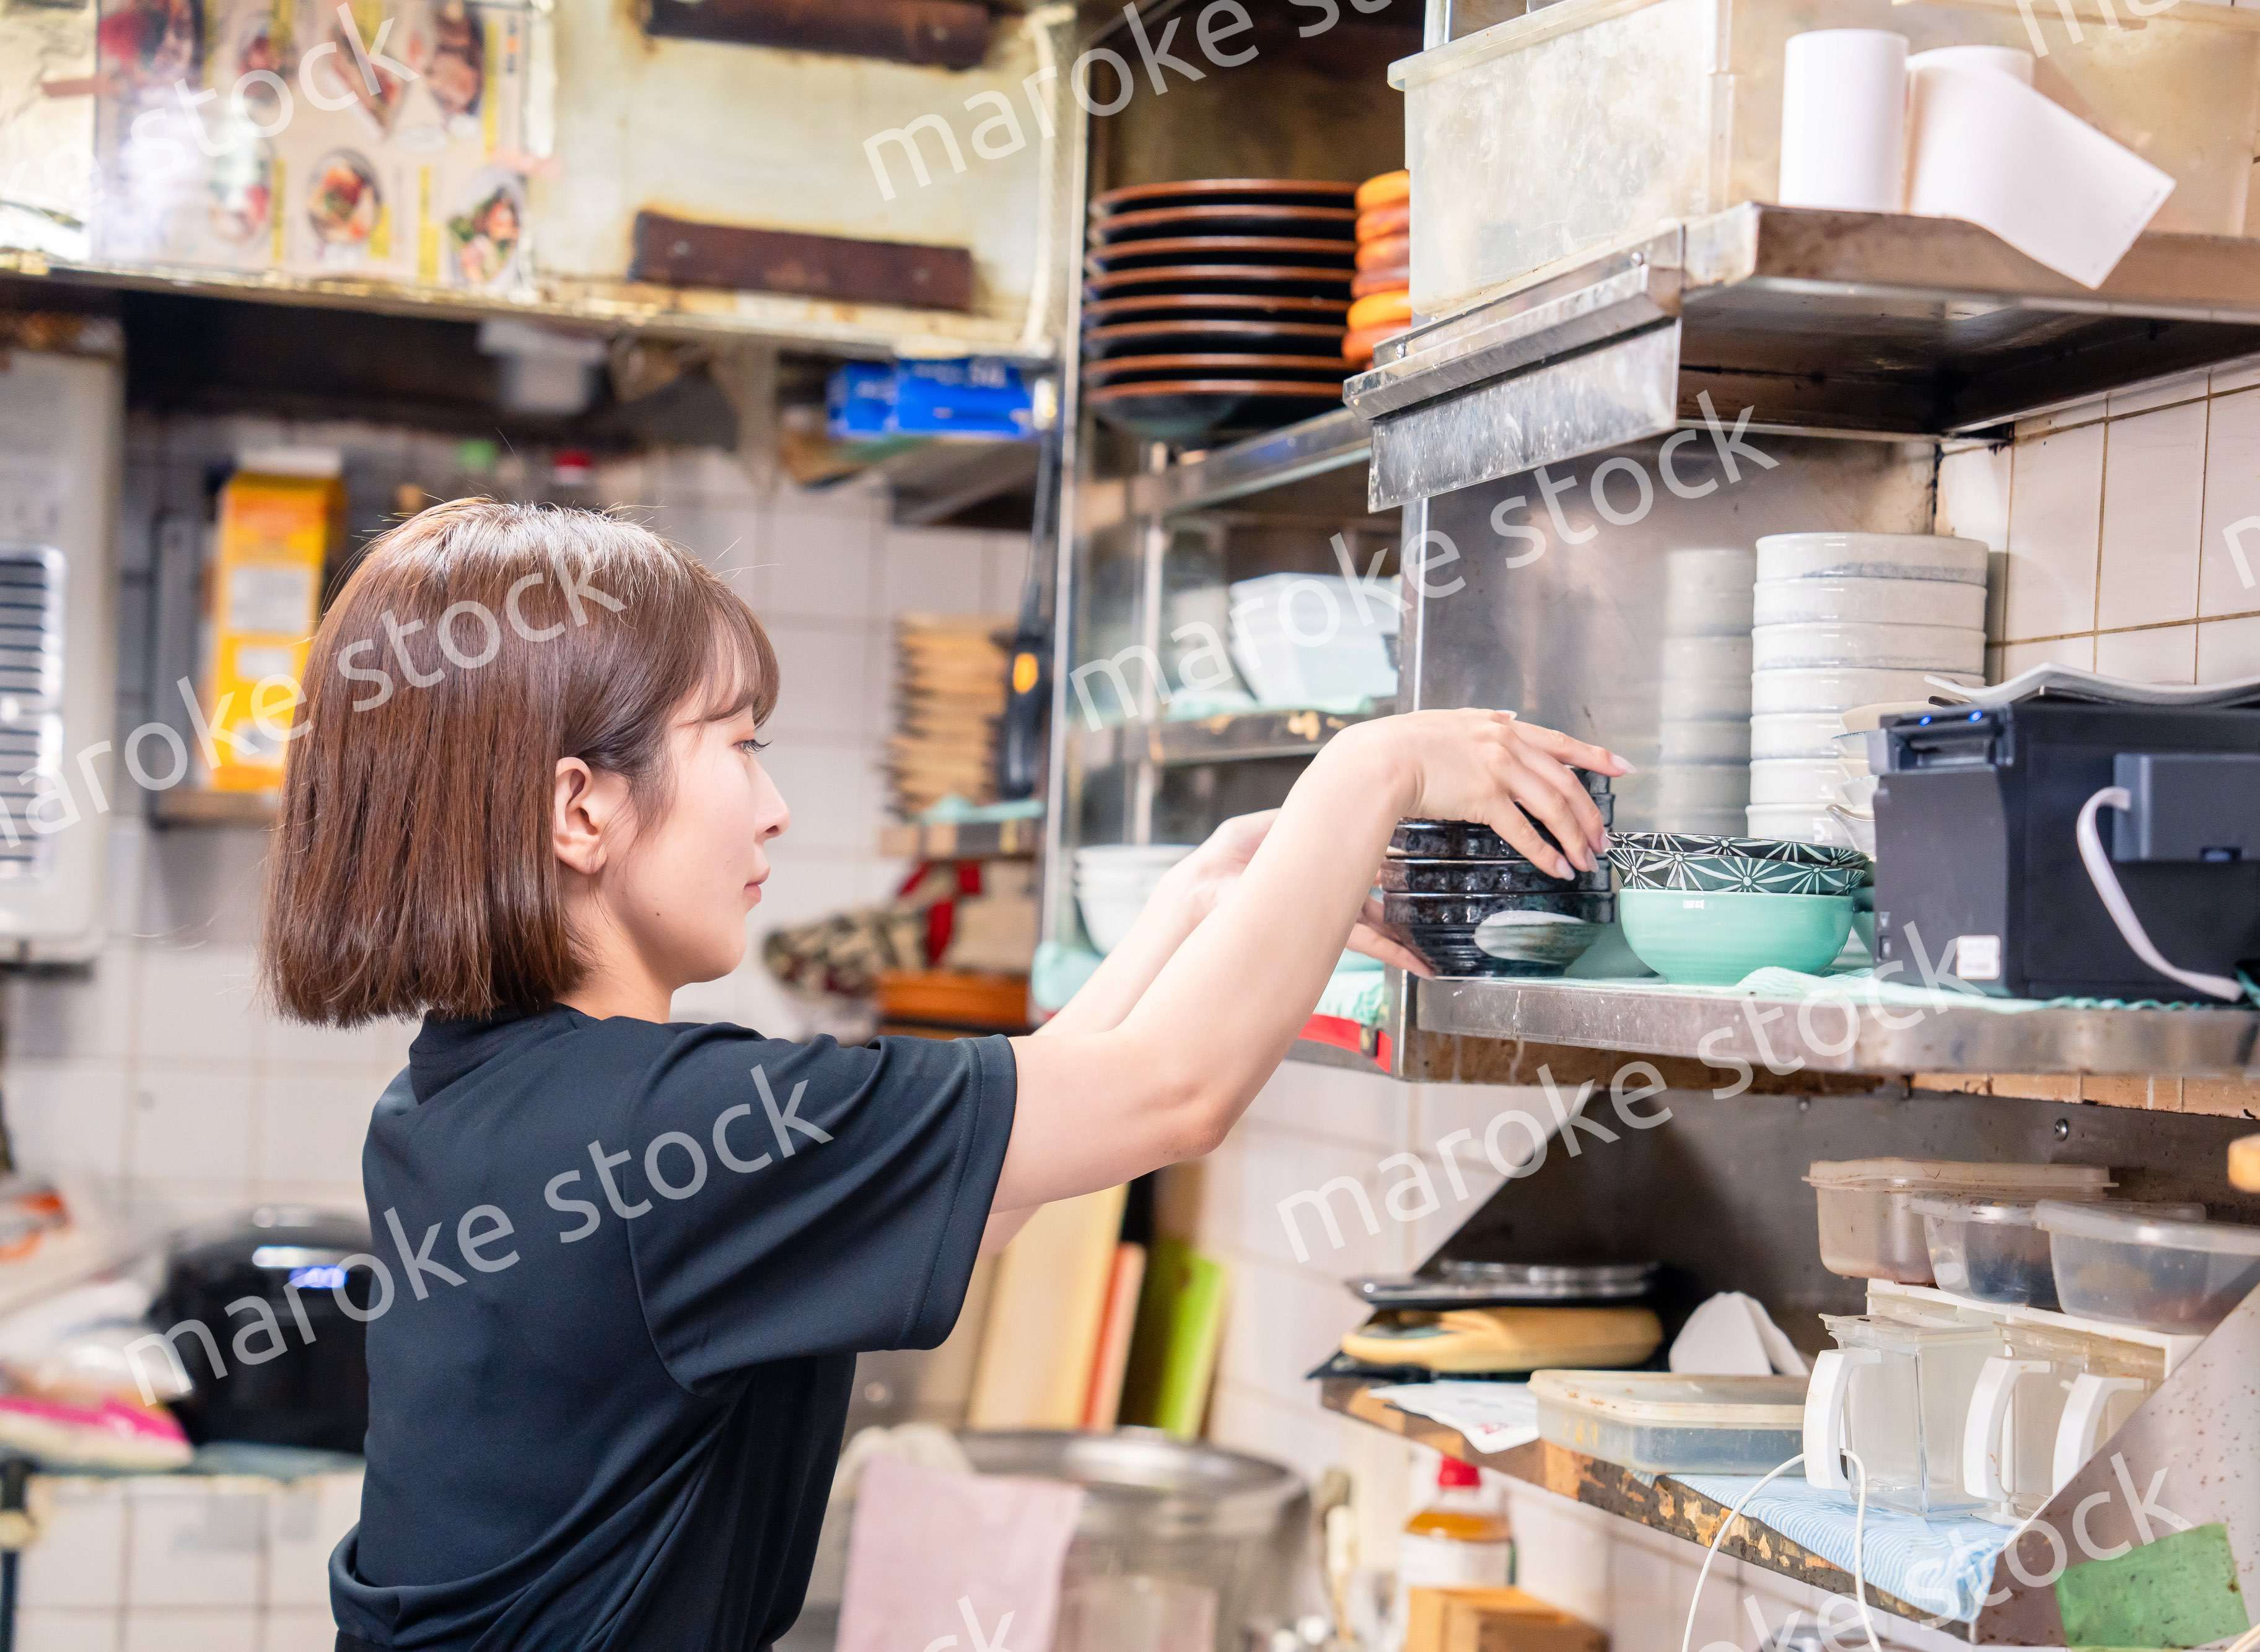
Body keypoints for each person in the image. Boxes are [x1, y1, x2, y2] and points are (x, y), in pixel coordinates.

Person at [261, 499, 1623, 1652]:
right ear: (581, 808)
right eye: (738, 744)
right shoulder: (666, 1124)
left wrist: (1197, 904)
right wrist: (1373, 769)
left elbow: (992, 1178)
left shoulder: (474, 1098)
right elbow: (1174, 1094)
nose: (773, 807)